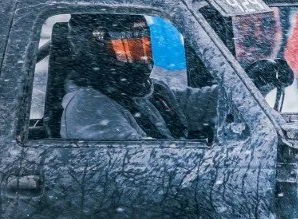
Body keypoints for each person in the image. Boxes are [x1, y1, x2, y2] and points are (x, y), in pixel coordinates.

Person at [60, 13, 218, 140]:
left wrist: (238, 84)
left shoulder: (153, 93)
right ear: (96, 52)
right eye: (127, 49)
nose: (141, 58)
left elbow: (207, 102)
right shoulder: (90, 107)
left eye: (143, 47)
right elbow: (144, 161)